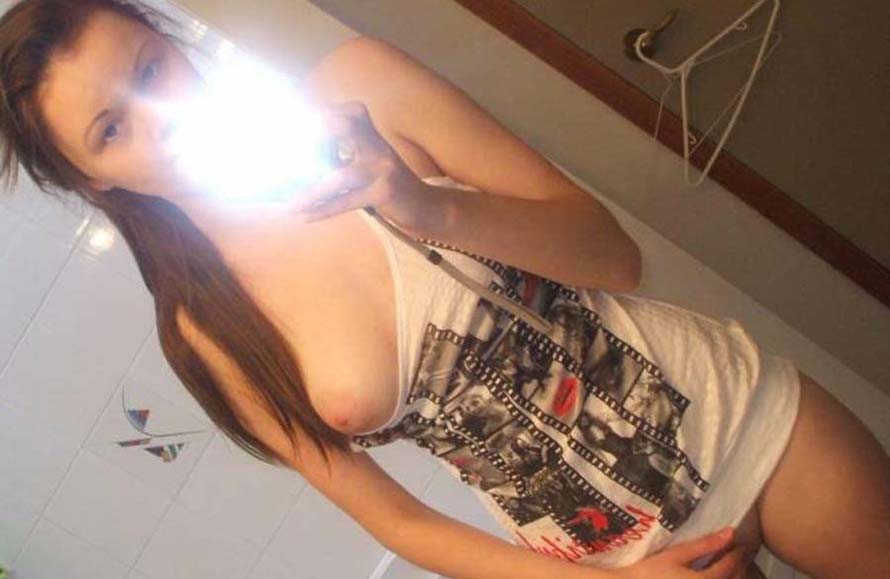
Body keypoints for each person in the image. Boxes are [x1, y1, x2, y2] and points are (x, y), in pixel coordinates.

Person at [1, 1, 888, 578]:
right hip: (603, 561)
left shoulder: (358, 94)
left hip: (744, 421)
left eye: (148, 71)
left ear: (169, 42)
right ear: (93, 179)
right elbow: (400, 522)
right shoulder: (206, 328)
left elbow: (615, 257)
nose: (157, 120)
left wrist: (422, 204)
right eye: (111, 129)